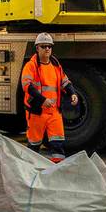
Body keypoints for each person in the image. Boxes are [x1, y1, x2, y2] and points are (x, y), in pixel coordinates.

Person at [21, 33, 78, 163]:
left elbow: (65, 82)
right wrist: (43, 100)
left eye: (49, 46)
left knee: (58, 144)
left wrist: (73, 93)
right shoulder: (31, 66)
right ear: (37, 48)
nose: (47, 49)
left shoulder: (56, 65)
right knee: (34, 145)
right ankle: (30, 171)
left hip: (54, 112)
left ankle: (57, 172)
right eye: (43, 46)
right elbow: (27, 86)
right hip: (37, 112)